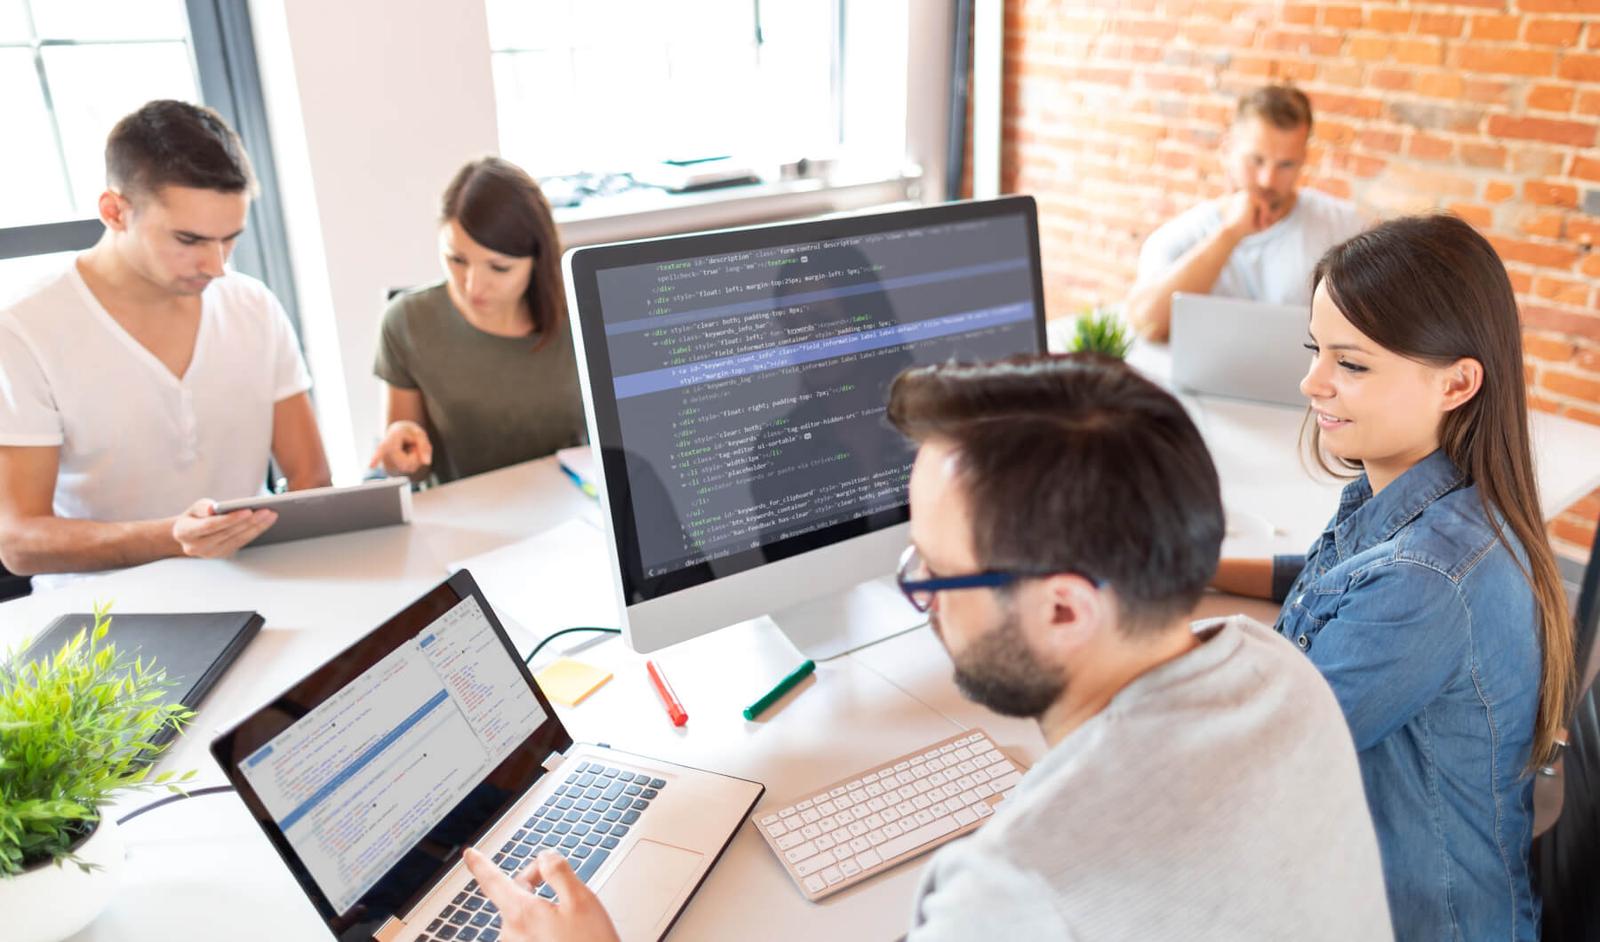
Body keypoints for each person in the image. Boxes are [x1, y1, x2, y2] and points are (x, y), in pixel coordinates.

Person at [459, 354, 1393, 941]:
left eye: (934, 575)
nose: (919, 601)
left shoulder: (1012, 889)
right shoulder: (1281, 672)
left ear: (1067, 610)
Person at [1212, 214, 1573, 940]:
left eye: (1351, 364)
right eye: (1316, 350)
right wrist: (1197, 566)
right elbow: (1336, 583)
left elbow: (1253, 759)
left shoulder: (1430, 579)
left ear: (1456, 383)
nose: (1311, 381)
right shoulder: (1429, 502)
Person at [0, 100, 330, 589]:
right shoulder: (23, 329)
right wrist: (174, 538)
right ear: (115, 212)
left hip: (261, 588)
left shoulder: (252, 305)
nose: (217, 266)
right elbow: (20, 542)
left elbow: (311, 481)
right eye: (189, 239)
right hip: (105, 626)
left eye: (229, 239)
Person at [369, 157, 585, 485]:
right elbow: (410, 470)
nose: (472, 286)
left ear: (537, 261)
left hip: (571, 504)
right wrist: (399, 456)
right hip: (465, 519)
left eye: (499, 268)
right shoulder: (407, 322)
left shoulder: (581, 314)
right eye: (456, 260)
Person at [1124, 84, 1364, 340]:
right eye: (1256, 160)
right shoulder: (1178, 236)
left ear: (1303, 158)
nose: (1267, 180)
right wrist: (1230, 234)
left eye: (1286, 164)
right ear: (1227, 150)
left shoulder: (1342, 226)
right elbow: (1144, 324)